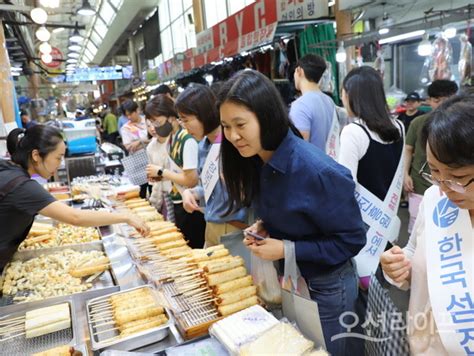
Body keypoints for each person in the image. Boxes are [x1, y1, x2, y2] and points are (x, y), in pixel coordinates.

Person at [218, 70, 366, 355]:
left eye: (240, 124)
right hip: (293, 280)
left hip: (328, 286)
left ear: (267, 116)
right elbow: (296, 213)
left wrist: (287, 249)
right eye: (226, 126)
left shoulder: (317, 171)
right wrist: (266, 226)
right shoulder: (258, 159)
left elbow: (351, 240)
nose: (233, 136)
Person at [381, 94, 474, 355]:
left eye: (458, 177)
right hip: (422, 345)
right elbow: (413, 255)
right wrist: (399, 267)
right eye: (434, 172)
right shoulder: (435, 200)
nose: (444, 189)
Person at [0, 125, 149, 272]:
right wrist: (126, 217)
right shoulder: (23, 186)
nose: (60, 164)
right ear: (36, 156)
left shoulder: (7, 169)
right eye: (58, 158)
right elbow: (75, 217)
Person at [176, 84, 247, 247]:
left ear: (204, 113)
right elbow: (210, 187)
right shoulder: (203, 145)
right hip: (211, 225)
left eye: (186, 120)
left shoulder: (233, 143)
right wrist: (192, 192)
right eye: (182, 121)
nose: (185, 127)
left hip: (234, 228)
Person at [144, 95, 204, 248]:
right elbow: (177, 173)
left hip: (192, 204)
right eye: (151, 122)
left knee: (193, 246)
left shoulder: (186, 139)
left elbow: (191, 180)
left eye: (157, 122)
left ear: (171, 118)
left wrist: (161, 172)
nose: (154, 127)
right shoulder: (172, 139)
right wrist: (161, 176)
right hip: (179, 201)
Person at [404, 80, 458, 233]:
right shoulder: (418, 123)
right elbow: (408, 150)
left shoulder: (461, 125)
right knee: (417, 224)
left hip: (452, 186)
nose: (442, 104)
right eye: (437, 100)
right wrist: (405, 175)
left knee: (447, 226)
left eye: (447, 100)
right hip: (419, 182)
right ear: (429, 101)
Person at [289, 54, 337, 152]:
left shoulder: (300, 105)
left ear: (299, 71)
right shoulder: (329, 101)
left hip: (310, 166)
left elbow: (299, 148)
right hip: (329, 162)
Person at [144, 111, 173, 220]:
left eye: (154, 123)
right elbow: (152, 176)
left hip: (175, 193)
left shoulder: (173, 141)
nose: (152, 128)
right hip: (160, 194)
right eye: (148, 125)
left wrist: (159, 173)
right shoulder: (150, 147)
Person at [120, 99, 150, 198]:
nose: (129, 117)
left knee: (154, 187)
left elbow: (157, 138)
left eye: (130, 114)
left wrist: (138, 142)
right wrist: (146, 141)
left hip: (152, 159)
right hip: (138, 163)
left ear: (137, 110)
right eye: (126, 115)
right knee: (141, 189)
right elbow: (129, 147)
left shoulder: (148, 121)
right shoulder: (126, 128)